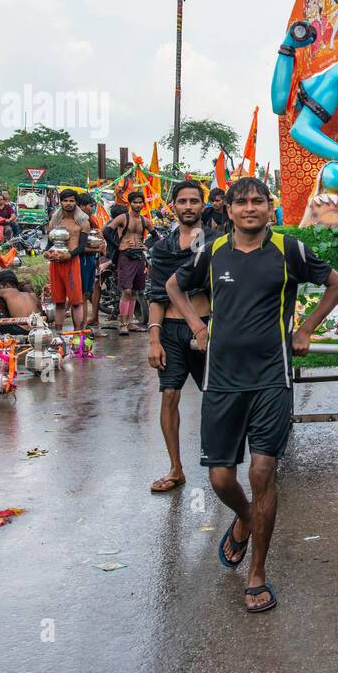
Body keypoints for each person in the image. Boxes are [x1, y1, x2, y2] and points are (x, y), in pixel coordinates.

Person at [166, 177, 338, 613]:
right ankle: (246, 518)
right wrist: (196, 325)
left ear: (270, 207)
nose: (250, 208)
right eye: (241, 202)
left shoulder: (289, 251)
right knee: (221, 479)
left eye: (258, 201)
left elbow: (335, 284)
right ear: (227, 210)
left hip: (272, 378)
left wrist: (304, 329)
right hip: (223, 381)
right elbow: (174, 286)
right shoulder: (211, 252)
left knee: (263, 472)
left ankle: (258, 572)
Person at [146, 181, 217, 494]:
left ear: (203, 206)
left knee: (215, 398)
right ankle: (176, 468)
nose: (188, 206)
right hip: (172, 333)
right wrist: (154, 339)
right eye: (182, 201)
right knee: (169, 395)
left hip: (208, 329)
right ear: (172, 206)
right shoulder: (161, 249)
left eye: (194, 201)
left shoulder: (218, 243)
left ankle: (219, 464)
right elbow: (156, 296)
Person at [106, 190, 154, 335]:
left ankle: (131, 323)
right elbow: (106, 231)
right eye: (135, 202)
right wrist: (118, 245)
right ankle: (123, 324)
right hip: (125, 256)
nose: (138, 205)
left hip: (138, 256)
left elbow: (157, 236)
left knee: (134, 291)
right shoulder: (122, 218)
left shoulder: (145, 220)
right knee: (126, 291)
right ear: (130, 203)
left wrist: (147, 246)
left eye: (140, 202)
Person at [45, 189, 90, 332]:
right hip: (56, 263)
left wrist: (69, 255)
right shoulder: (55, 220)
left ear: (76, 202)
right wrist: (47, 253)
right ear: (61, 202)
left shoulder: (83, 221)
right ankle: (58, 336)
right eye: (65, 201)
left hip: (72, 262)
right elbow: (49, 243)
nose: (68, 204)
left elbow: (82, 246)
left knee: (76, 302)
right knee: (58, 302)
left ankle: (77, 335)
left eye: (71, 201)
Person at [0, 270, 42, 335]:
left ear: (7, 285)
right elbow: (42, 313)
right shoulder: (28, 294)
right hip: (37, 330)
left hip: (20, 331)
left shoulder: (6, 291)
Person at [75, 191, 104, 327]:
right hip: (83, 260)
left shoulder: (90, 221)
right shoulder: (79, 222)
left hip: (91, 259)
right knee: (82, 295)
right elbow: (78, 246)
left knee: (86, 293)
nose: (91, 208)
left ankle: (85, 324)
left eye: (92, 205)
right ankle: (83, 326)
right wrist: (96, 249)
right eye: (88, 205)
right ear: (81, 206)